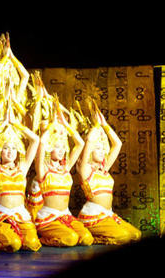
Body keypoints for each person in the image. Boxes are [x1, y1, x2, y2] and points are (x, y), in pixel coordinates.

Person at [77, 104, 141, 244]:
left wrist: (105, 125)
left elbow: (117, 144)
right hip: (93, 216)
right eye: (97, 149)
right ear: (90, 151)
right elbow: (88, 141)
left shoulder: (104, 168)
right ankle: (94, 238)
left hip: (108, 215)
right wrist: (95, 126)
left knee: (136, 235)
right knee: (123, 236)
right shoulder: (85, 169)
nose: (102, 151)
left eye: (102, 149)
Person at [0, 113, 41, 252]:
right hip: (0, 216)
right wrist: (2, 124)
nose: (10, 152)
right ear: (0, 151)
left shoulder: (22, 168)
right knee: (13, 244)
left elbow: (35, 140)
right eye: (6, 148)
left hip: (20, 215)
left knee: (32, 244)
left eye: (13, 148)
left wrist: (16, 123)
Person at [33, 113, 92, 247]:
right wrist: (52, 125)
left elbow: (80, 143)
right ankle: (42, 239)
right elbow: (42, 142)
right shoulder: (43, 169)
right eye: (57, 147)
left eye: (63, 147)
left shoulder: (65, 167)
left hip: (66, 216)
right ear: (49, 148)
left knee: (87, 238)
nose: (62, 150)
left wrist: (66, 125)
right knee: (71, 239)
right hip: (48, 219)